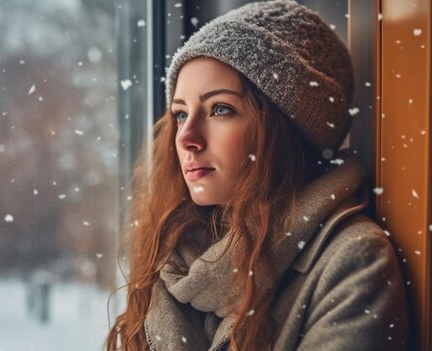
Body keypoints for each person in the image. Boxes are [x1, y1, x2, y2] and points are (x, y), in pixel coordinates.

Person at [105, 1, 410, 350]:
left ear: (287, 128)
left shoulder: (353, 262)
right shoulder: (175, 254)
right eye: (180, 113)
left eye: (220, 109)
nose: (186, 138)